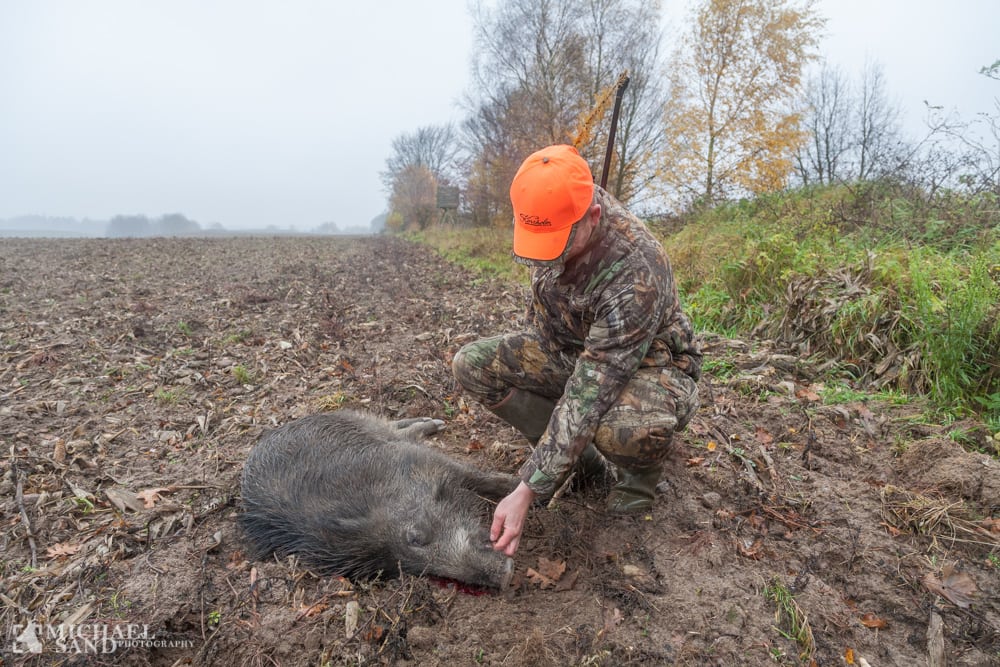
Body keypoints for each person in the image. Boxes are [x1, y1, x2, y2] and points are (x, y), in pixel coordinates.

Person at [451, 144, 702, 557]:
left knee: (623, 429)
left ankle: (638, 485)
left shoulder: (636, 269)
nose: (549, 258)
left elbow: (594, 384)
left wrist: (527, 489)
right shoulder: (550, 212)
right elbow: (546, 321)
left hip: (649, 367)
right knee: (473, 366)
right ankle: (579, 463)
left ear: (593, 218)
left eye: (558, 244)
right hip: (572, 349)